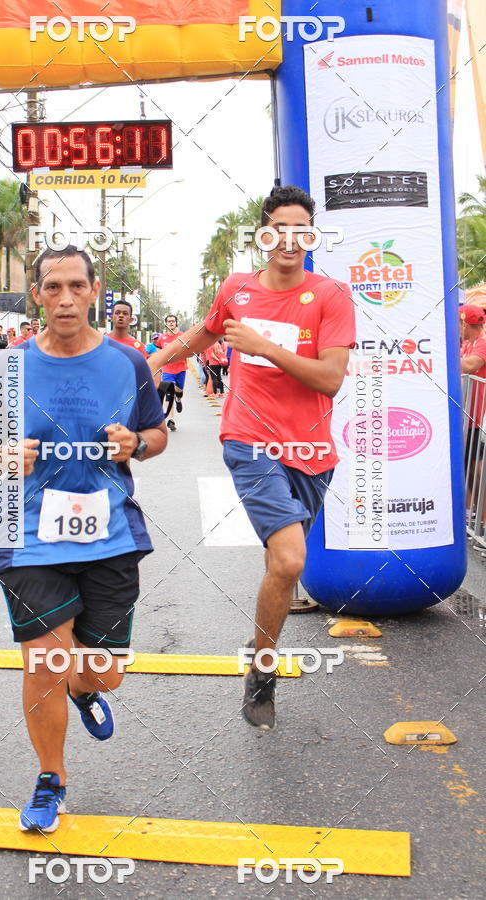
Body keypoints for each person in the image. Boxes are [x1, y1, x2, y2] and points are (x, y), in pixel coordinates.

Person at [0, 246, 167, 833]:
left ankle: (85, 691)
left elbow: (156, 434)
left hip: (110, 536)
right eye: (52, 287)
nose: (64, 298)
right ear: (37, 294)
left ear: (93, 291)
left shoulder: (128, 363)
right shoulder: (8, 368)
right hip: (28, 535)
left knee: (104, 672)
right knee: (45, 663)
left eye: (76, 286)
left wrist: (137, 445)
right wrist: (4, 455)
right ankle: (50, 779)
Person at [149, 184, 355, 730]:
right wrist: (154, 363)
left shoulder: (331, 295)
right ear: (263, 234)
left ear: (312, 237)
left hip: (311, 450)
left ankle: (261, 639)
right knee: (289, 561)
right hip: (250, 440)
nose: (289, 239)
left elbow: (330, 379)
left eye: (300, 230)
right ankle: (263, 669)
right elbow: (205, 333)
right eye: (279, 228)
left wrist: (265, 347)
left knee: (278, 565)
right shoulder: (237, 289)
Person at [460, 304, 486, 522]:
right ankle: (474, 515)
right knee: (469, 467)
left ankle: (483, 521)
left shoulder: (483, 343)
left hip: (479, 417)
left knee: (478, 471)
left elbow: (470, 365)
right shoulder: (468, 343)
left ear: (465, 324)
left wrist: (441, 357)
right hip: (469, 416)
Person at [156, 314, 187, 432]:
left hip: (181, 368)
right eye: (169, 321)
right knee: (169, 393)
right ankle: (170, 419)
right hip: (167, 369)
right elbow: (159, 351)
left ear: (176, 323)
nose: (171, 323)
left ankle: (178, 399)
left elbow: (189, 348)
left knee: (179, 391)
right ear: (166, 323)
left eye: (173, 321)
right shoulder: (162, 338)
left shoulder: (182, 336)